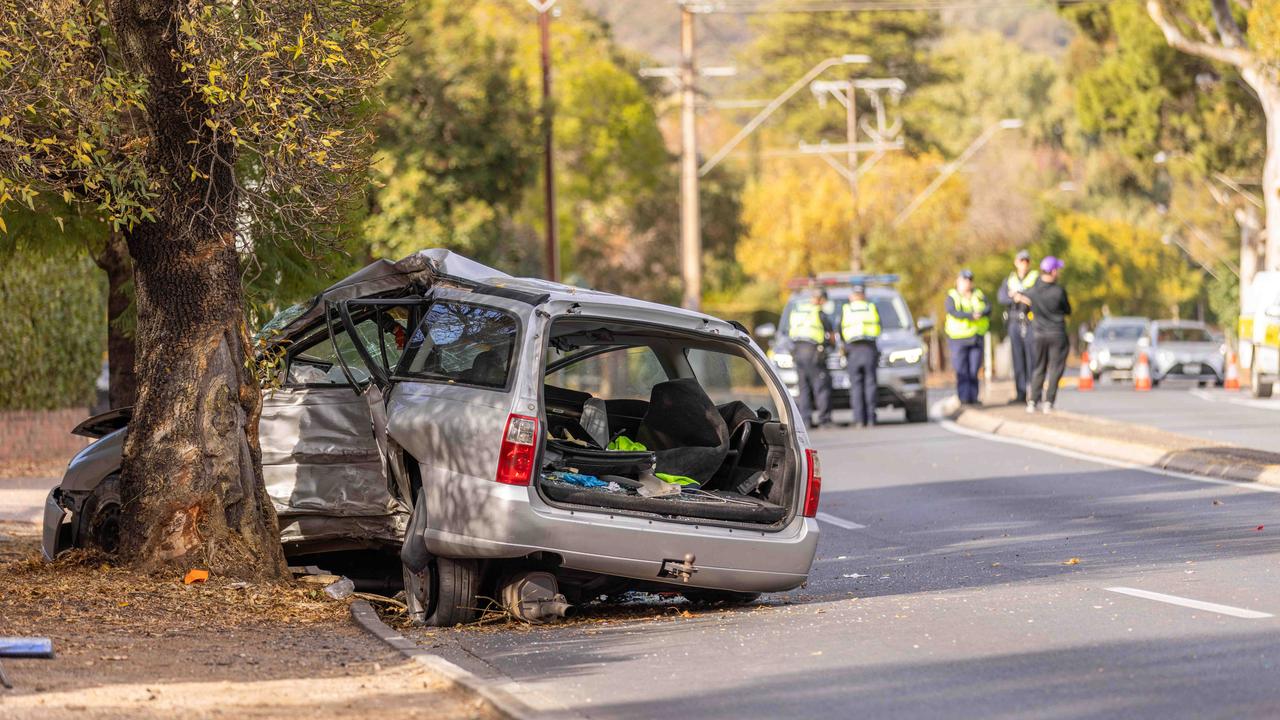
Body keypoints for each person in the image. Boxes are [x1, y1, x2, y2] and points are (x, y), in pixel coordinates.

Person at [1015, 256, 1071, 414]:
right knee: (1055, 369)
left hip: (1038, 334)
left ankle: (1032, 401)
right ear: (1053, 271)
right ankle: (1049, 402)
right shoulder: (1059, 291)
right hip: (1057, 334)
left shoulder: (1032, 291)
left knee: (1038, 367)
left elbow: (1024, 307)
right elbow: (1067, 310)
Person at [786, 287, 836, 428]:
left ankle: (806, 421)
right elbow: (831, 335)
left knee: (804, 387)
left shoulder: (798, 311)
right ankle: (824, 420)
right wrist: (832, 346)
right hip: (813, 352)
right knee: (821, 386)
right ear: (821, 299)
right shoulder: (819, 313)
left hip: (798, 352)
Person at [997, 249, 1039, 403]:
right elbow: (1002, 297)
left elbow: (1036, 296)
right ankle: (1021, 394)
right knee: (1018, 359)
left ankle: (1034, 393)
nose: (1024, 264)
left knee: (1032, 358)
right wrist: (1017, 298)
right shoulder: (1010, 279)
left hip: (1029, 322)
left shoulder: (1035, 278)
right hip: (1014, 321)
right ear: (1016, 262)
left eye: (1026, 261)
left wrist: (1018, 296)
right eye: (1021, 261)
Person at [944, 269, 990, 405]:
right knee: (961, 369)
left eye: (970, 280)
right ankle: (963, 398)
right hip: (958, 338)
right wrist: (970, 315)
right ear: (958, 281)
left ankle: (973, 397)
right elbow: (953, 312)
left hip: (976, 337)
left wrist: (981, 313)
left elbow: (989, 308)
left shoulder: (979, 294)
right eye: (964, 280)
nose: (967, 283)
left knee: (974, 369)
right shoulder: (952, 296)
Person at [840, 284, 881, 428]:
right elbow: (879, 327)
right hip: (869, 348)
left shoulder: (847, 309)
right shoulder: (871, 308)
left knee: (856, 387)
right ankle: (871, 418)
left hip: (853, 350)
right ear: (864, 295)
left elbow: (840, 330)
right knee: (870, 385)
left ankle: (858, 419)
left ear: (852, 296)